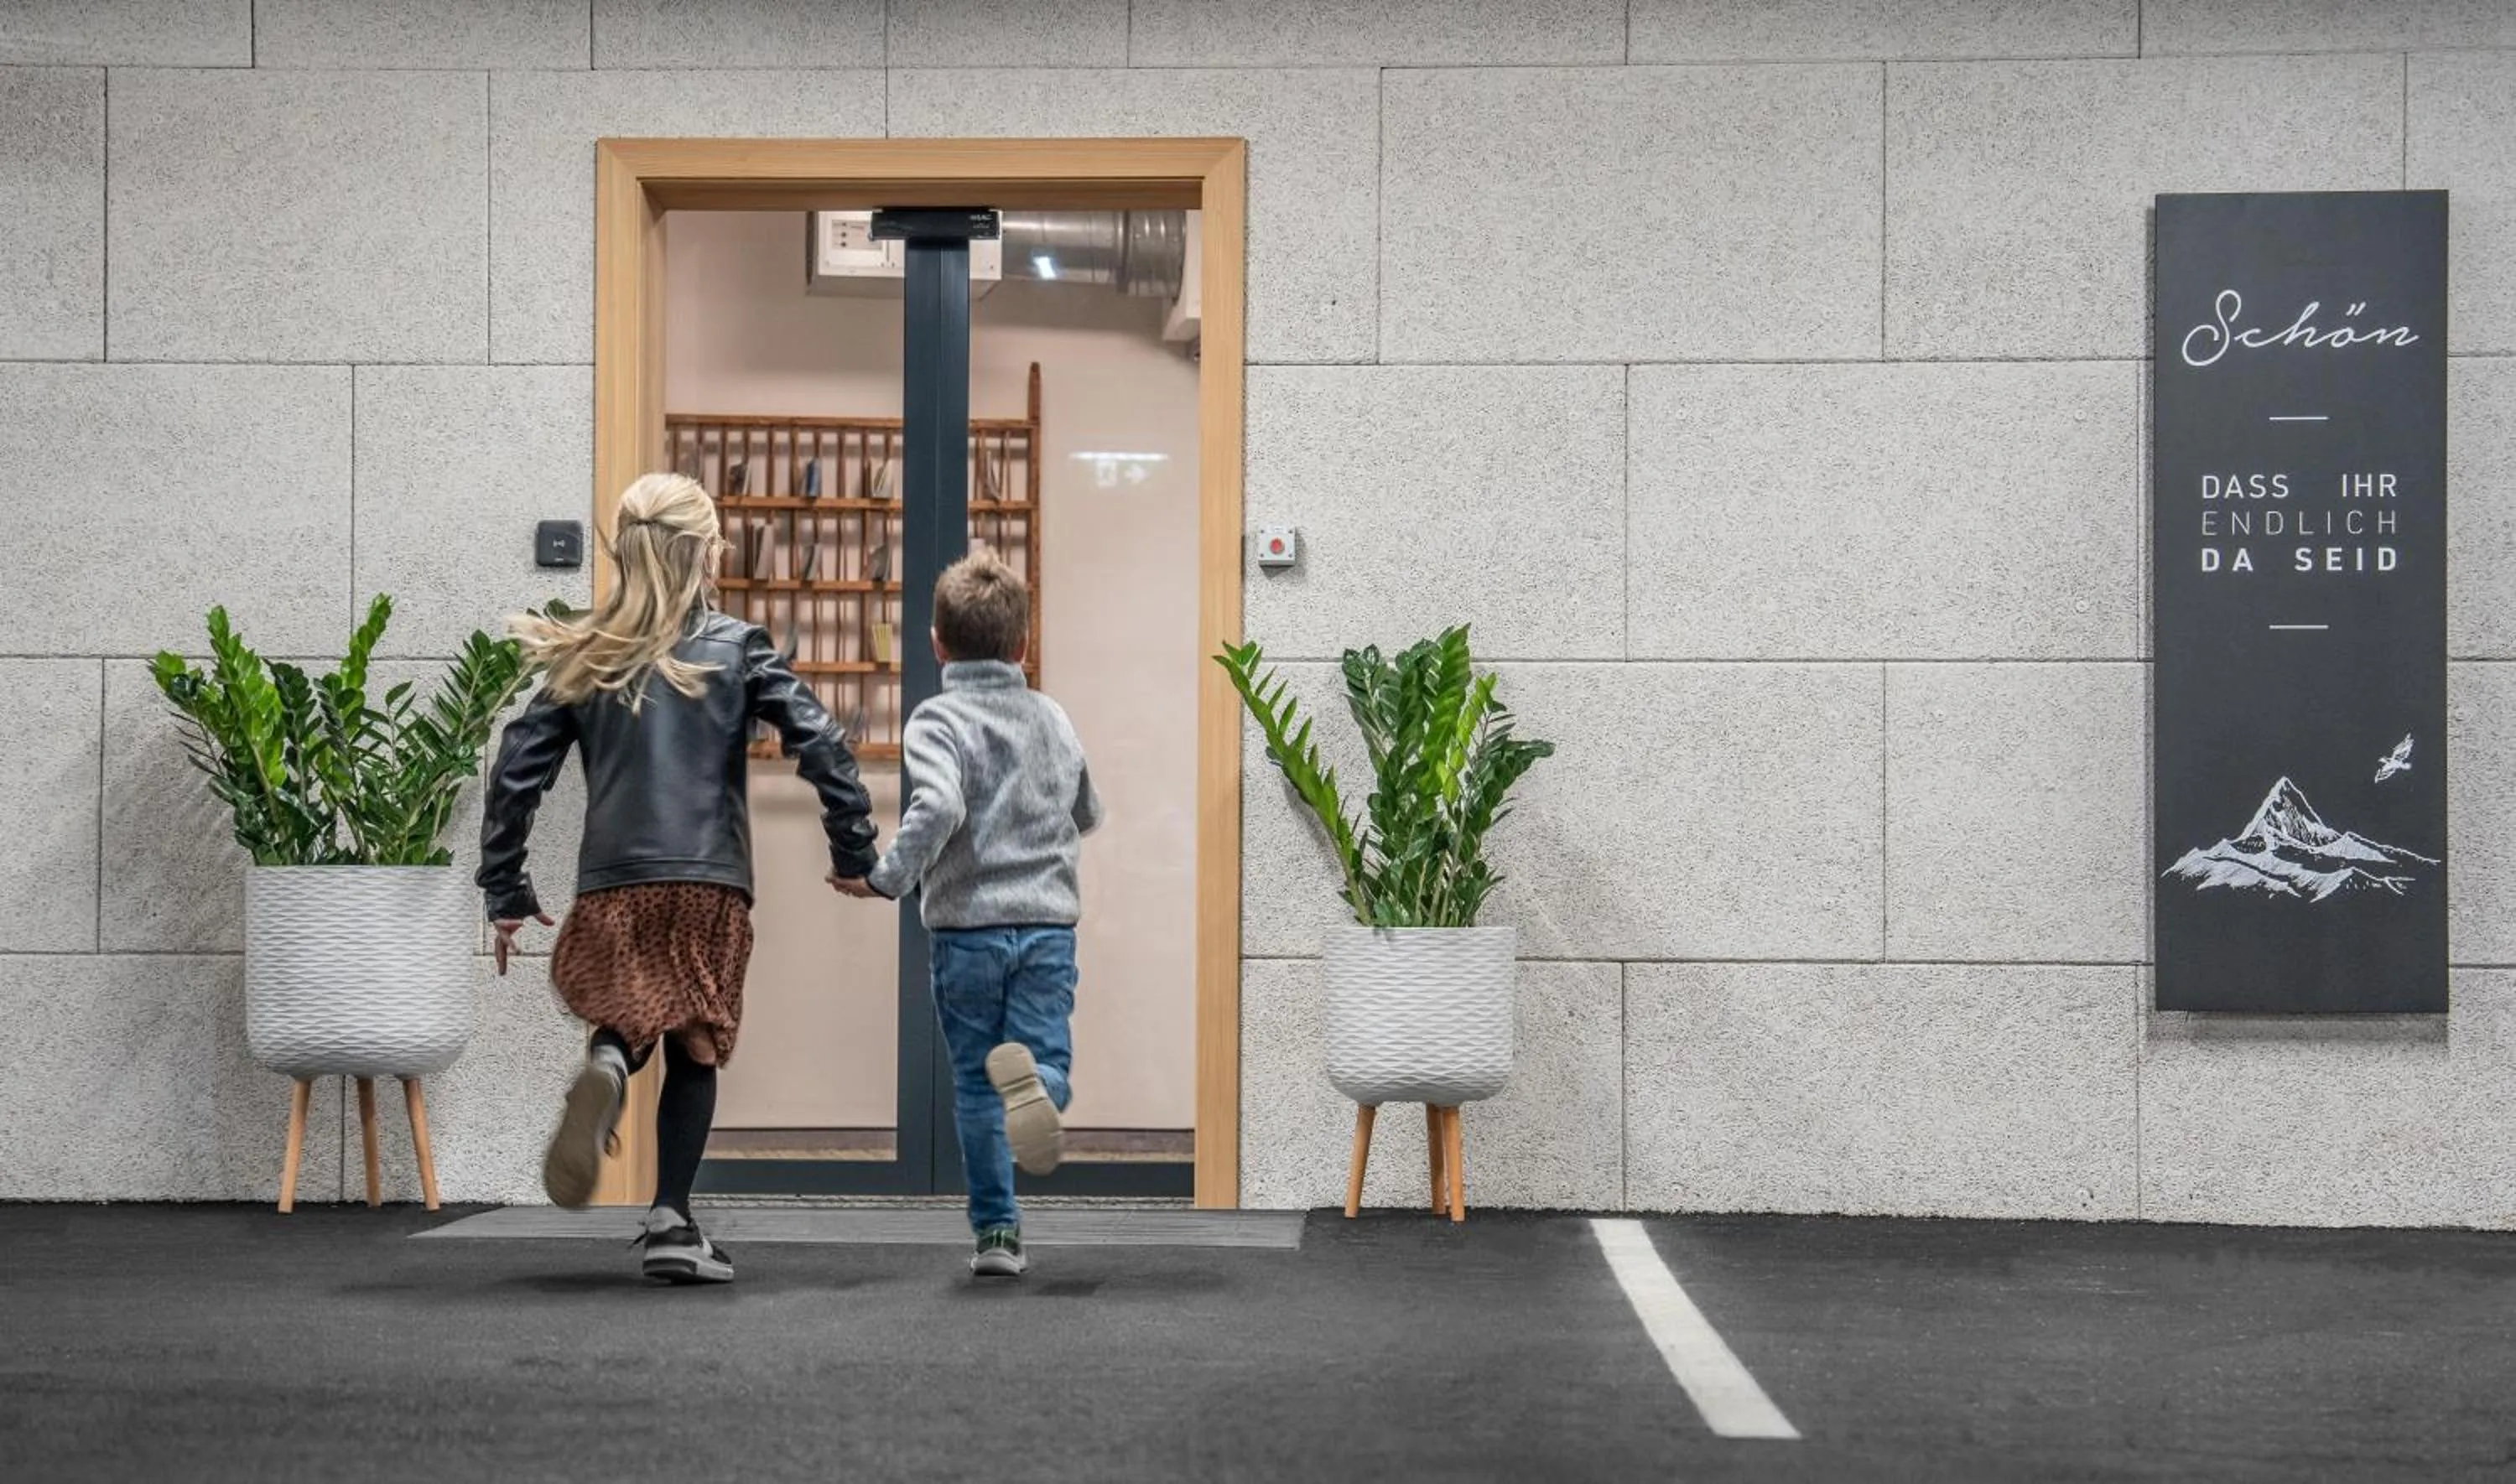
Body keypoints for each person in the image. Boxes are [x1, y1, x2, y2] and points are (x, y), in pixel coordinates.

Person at [479, 472, 879, 1284]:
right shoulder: (736, 646)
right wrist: (854, 854)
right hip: (708, 881)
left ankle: (609, 1069)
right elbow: (824, 746)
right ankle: (671, 1220)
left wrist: (507, 888)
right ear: (705, 554)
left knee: (627, 1015)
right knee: (696, 1041)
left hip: (613, 881)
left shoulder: (585, 652)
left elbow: (516, 772)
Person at [839, 551, 1100, 1279]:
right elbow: (1087, 811)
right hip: (1048, 924)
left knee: (977, 1084)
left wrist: (889, 879)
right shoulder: (1052, 714)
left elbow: (942, 804)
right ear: (1023, 645)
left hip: (966, 933)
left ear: (936, 642)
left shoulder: (937, 718)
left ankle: (997, 1237)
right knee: (1043, 1054)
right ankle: (1043, 1092)